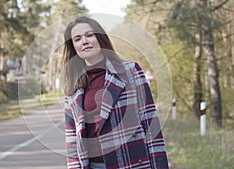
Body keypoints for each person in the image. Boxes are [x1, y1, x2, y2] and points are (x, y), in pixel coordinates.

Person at [63, 15, 169, 169]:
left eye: (89, 35)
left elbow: (150, 122)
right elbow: (72, 139)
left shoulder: (130, 71)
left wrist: (160, 165)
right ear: (74, 47)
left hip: (130, 163)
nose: (84, 41)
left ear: (100, 38)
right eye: (77, 39)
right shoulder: (73, 86)